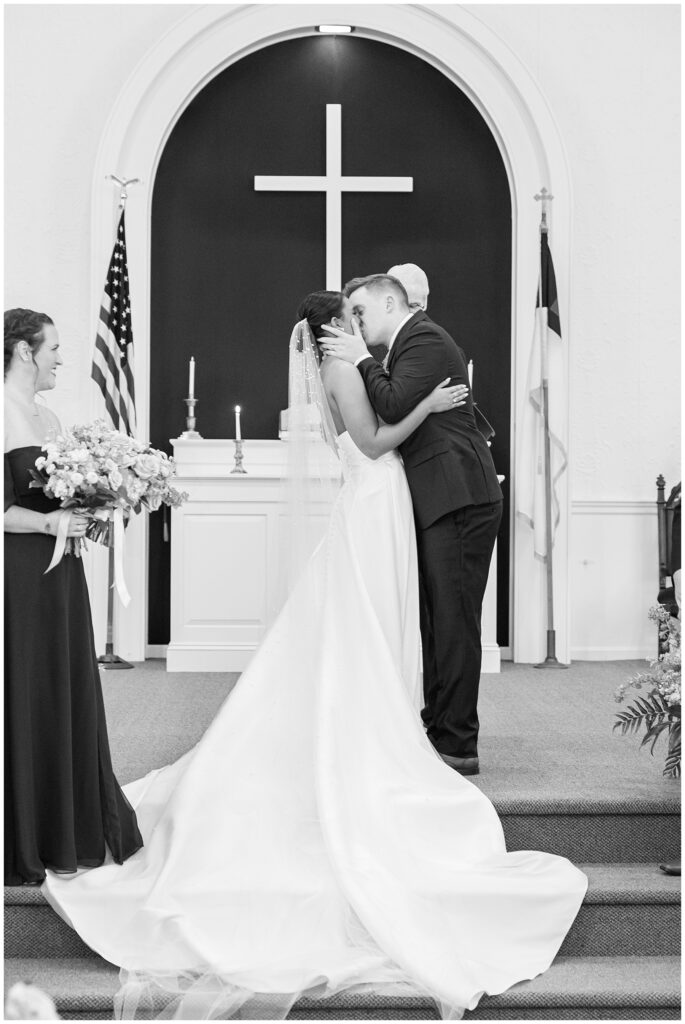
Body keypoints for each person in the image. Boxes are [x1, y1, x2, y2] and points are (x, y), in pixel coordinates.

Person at [42, 291, 586, 1021]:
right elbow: (370, 441)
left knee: (367, 627)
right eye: (353, 319)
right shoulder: (346, 366)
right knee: (363, 627)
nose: (361, 328)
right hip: (374, 499)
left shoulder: (346, 362)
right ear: (336, 326)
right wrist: (426, 408)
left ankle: (388, 717)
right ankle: (380, 728)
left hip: (380, 504)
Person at [323, 274, 502, 776]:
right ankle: (437, 724)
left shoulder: (421, 337)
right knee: (435, 619)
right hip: (440, 498)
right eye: (349, 316)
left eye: (360, 312)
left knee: (455, 620)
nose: (355, 324)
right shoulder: (404, 345)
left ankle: (459, 743)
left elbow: (394, 404)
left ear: (388, 301)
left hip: (461, 497)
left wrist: (359, 356)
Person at [4, 308, 143, 885]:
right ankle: (24, 829)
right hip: (19, 574)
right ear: (22, 351)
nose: (62, 357)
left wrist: (94, 507)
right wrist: (51, 525)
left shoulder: (52, 417)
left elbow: (63, 498)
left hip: (63, 575)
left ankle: (69, 818)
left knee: (66, 681)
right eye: (54, 348)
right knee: (27, 685)